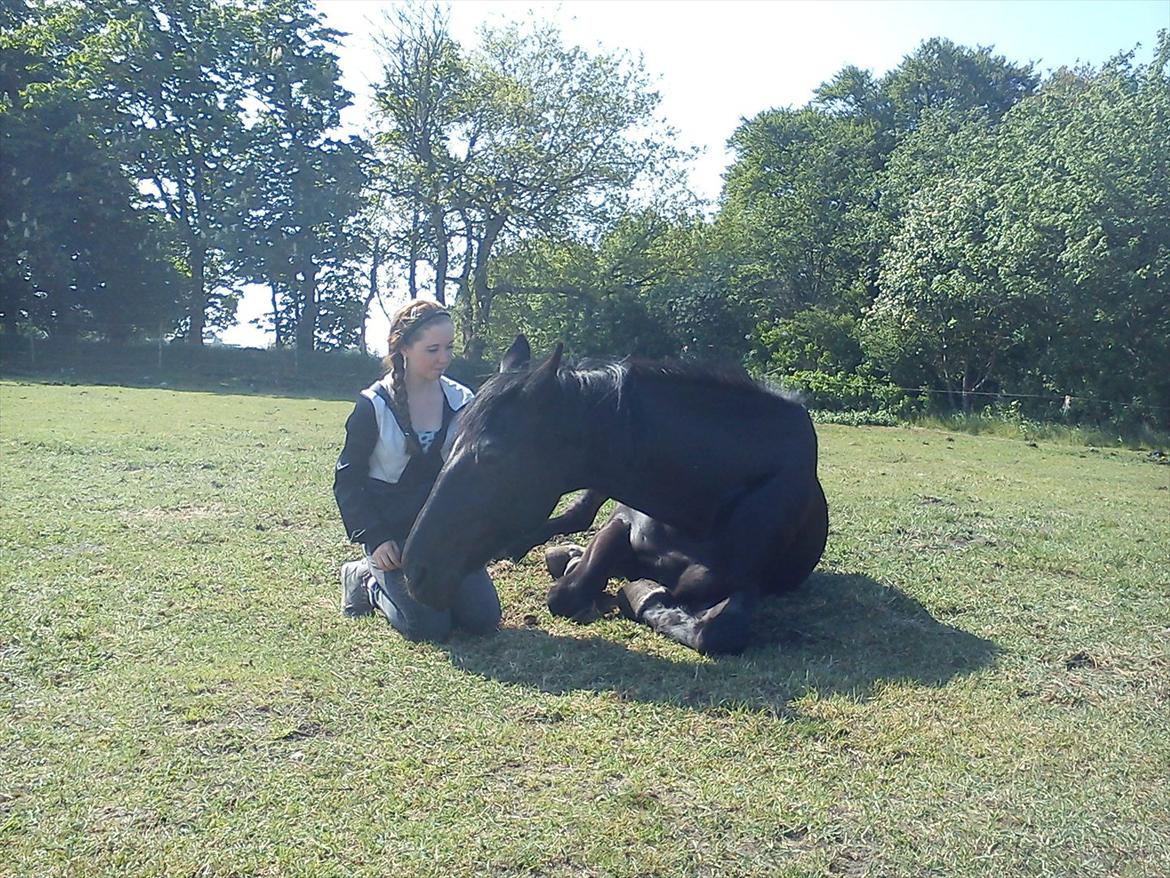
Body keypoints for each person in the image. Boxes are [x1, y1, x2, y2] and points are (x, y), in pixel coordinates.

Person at [332, 299, 501, 641]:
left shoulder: (463, 400)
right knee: (426, 628)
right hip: (393, 539)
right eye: (433, 349)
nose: (444, 358)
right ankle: (367, 578)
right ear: (404, 346)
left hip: (446, 535)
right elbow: (348, 480)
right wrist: (376, 539)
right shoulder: (373, 404)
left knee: (482, 620)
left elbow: (473, 478)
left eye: (449, 348)